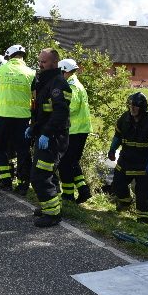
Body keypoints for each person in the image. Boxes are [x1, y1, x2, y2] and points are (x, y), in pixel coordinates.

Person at [28, 48, 71, 226]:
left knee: (40, 175)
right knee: (48, 174)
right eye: (39, 61)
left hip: (54, 136)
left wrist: (46, 133)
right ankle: (51, 207)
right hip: (45, 133)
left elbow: (60, 112)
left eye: (43, 62)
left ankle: (53, 215)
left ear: (54, 63)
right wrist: (34, 127)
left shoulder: (58, 83)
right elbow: (42, 112)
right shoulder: (44, 81)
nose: (40, 64)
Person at [108, 92, 148, 223]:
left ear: (142, 107)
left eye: (136, 105)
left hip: (143, 165)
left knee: (143, 193)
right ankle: (125, 203)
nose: (132, 108)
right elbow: (118, 135)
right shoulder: (124, 119)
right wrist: (112, 149)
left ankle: (144, 220)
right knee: (117, 184)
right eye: (131, 105)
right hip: (125, 161)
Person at [0, 44, 34, 195]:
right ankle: (22, 185)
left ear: (8, 56)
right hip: (22, 118)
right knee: (23, 151)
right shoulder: (31, 73)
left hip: (3, 116)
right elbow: (35, 98)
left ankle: (6, 181)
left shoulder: (0, 71)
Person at [56, 58, 93, 204]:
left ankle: (68, 196)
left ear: (65, 72)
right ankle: (84, 190)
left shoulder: (72, 87)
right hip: (78, 130)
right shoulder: (76, 84)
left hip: (75, 131)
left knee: (65, 163)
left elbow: (71, 107)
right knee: (72, 162)